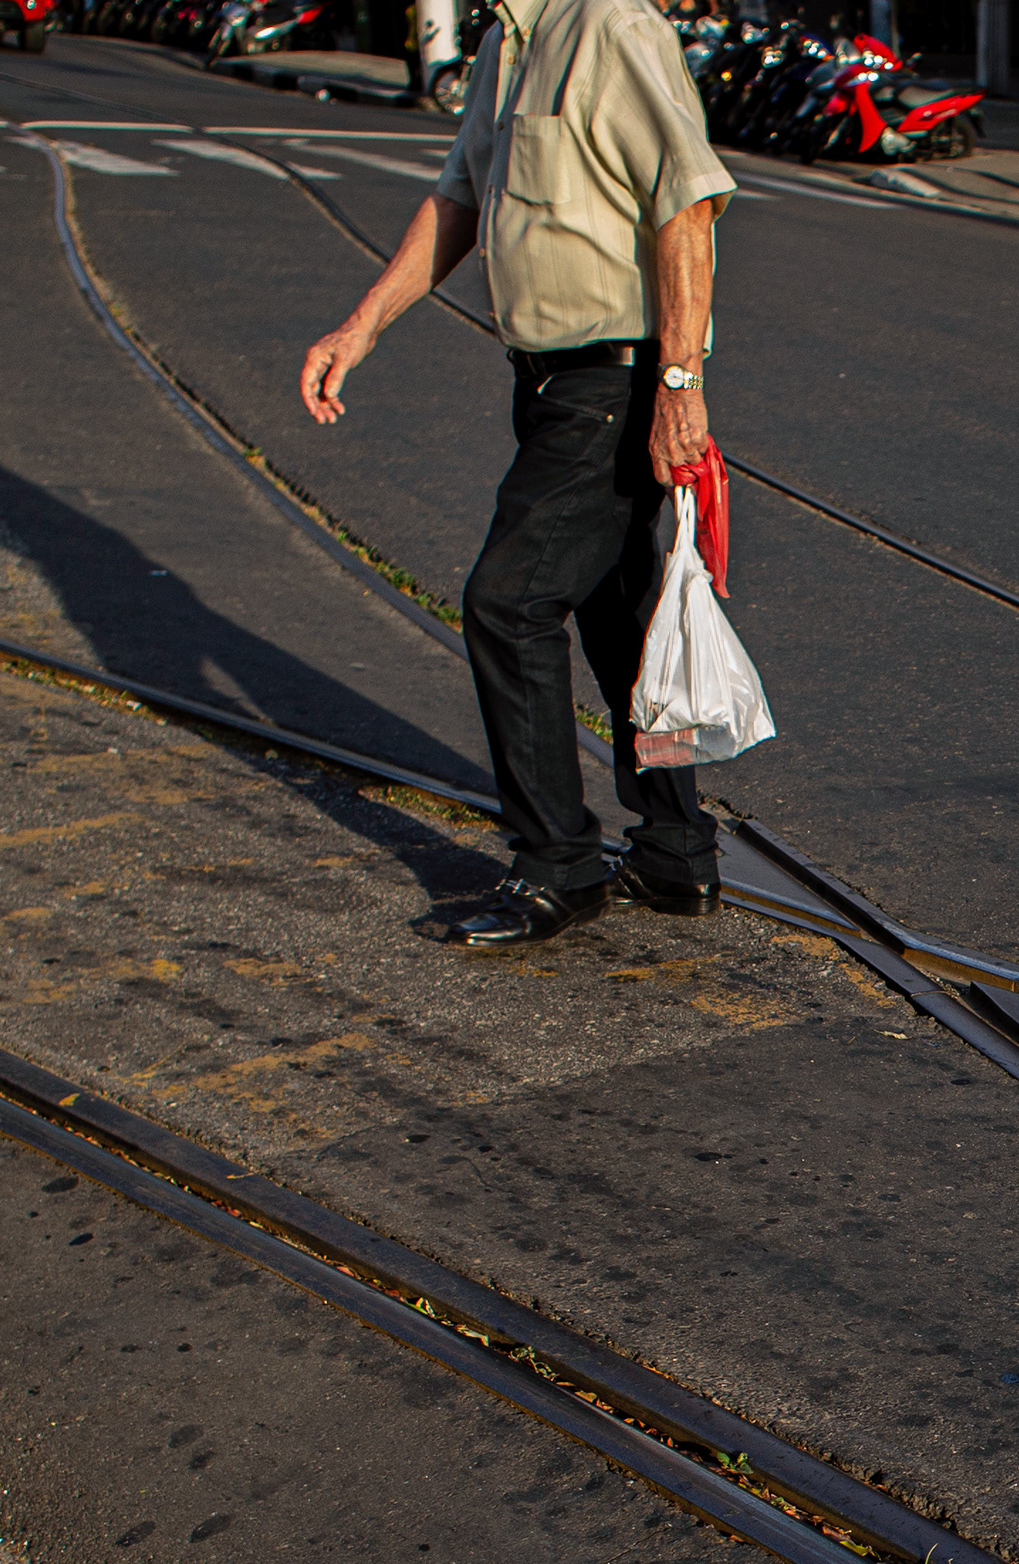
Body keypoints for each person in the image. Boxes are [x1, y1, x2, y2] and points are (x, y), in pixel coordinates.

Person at [297, 0, 736, 949]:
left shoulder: (613, 27)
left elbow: (688, 203)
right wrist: (361, 326)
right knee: (621, 622)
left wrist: (679, 384)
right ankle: (675, 850)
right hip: (544, 382)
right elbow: (459, 198)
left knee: (508, 602)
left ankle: (558, 865)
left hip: (613, 383)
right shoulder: (505, 41)